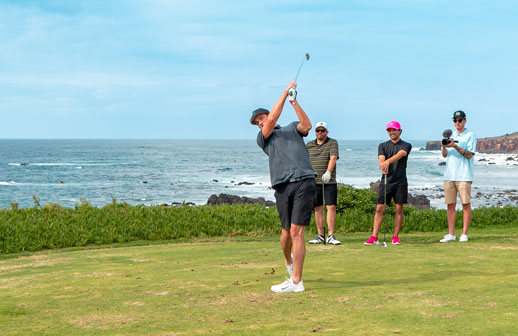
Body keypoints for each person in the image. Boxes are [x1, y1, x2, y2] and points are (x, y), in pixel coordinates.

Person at [250, 81, 316, 293]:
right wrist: (284, 91)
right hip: (281, 187)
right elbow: (273, 120)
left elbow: (307, 126)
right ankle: (289, 263)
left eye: (261, 118)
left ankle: (297, 282)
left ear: (267, 115)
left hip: (304, 180)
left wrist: (293, 101)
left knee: (297, 231)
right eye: (257, 122)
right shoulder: (264, 138)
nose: (260, 123)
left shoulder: (290, 129)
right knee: (286, 234)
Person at [364, 120, 412, 246]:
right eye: (389, 130)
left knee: (399, 209)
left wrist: (387, 162)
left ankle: (395, 237)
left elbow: (401, 154)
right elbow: (381, 158)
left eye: (394, 130)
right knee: (379, 208)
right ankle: (374, 237)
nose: (392, 132)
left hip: (400, 181)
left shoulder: (406, 145)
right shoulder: (383, 145)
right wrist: (382, 165)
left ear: (399, 131)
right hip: (386, 181)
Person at [440, 110, 477, 243]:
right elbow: (445, 155)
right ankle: (451, 234)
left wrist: (455, 146)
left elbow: (469, 155)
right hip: (449, 174)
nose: (457, 123)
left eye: (459, 120)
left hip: (464, 175)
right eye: (455, 120)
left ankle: (464, 234)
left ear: (465, 121)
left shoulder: (470, 136)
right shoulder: (451, 135)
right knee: (450, 205)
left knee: (465, 204)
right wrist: (444, 147)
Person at [306, 121, 341, 245]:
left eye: (322, 130)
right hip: (313, 180)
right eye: (318, 131)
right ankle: (321, 235)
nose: (320, 133)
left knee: (331, 206)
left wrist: (328, 172)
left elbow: (333, 157)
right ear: (315, 132)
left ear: (327, 132)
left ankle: (331, 235)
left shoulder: (332, 142)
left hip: (329, 181)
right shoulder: (309, 145)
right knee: (317, 208)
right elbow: (304, 160)